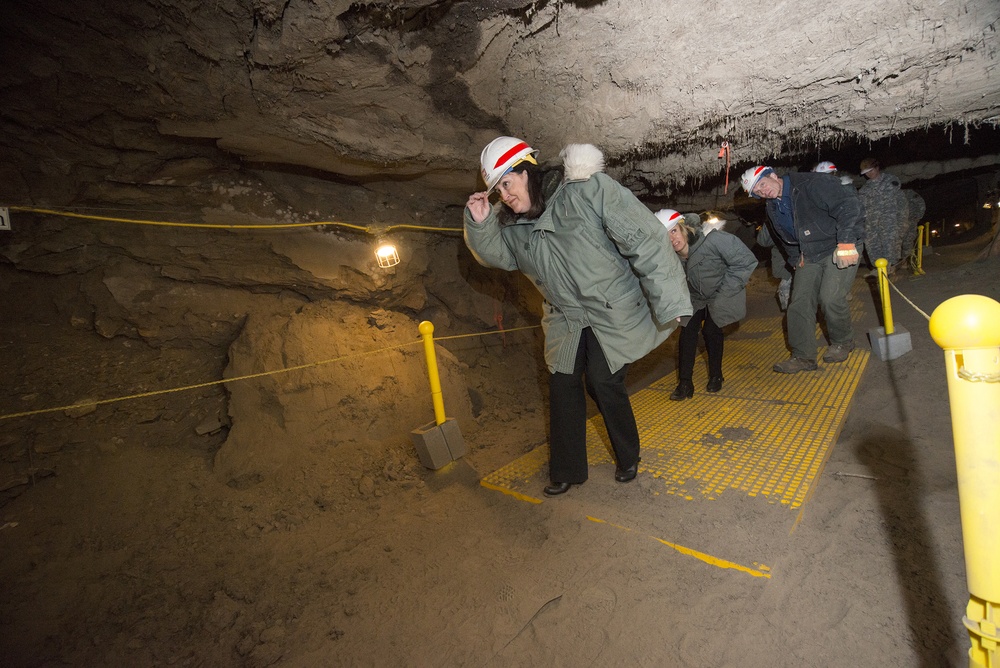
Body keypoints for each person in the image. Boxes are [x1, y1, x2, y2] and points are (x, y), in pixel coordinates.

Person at [464, 137, 692, 496]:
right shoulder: (513, 224)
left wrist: (672, 301)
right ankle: (567, 471)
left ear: (527, 171)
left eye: (507, 184)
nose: (503, 196)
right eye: (498, 190)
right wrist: (480, 224)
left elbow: (645, 239)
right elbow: (501, 257)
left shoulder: (587, 192)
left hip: (611, 308)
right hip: (566, 317)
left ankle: (628, 455)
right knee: (562, 383)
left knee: (602, 380)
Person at [740, 166, 865, 373]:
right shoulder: (772, 207)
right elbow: (783, 237)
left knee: (830, 297)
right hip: (809, 253)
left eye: (762, 184)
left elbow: (849, 206)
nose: (763, 192)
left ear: (772, 176)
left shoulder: (811, 183)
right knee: (798, 303)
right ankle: (803, 356)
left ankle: (843, 342)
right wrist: (795, 257)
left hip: (838, 244)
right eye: (758, 192)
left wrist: (846, 242)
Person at [655, 209, 757, 399]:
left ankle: (716, 375)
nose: (671, 239)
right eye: (665, 236)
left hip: (720, 293)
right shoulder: (670, 258)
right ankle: (685, 384)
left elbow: (745, 261)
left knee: (711, 330)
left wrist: (726, 293)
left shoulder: (712, 240)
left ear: (683, 228)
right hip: (696, 298)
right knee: (687, 332)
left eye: (674, 231)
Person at [858, 157, 905, 274]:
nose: (869, 174)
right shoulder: (864, 190)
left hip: (888, 221)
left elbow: (899, 202)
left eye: (871, 170)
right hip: (870, 224)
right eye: (866, 172)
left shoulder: (891, 181)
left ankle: (889, 267)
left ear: (877, 167)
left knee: (889, 244)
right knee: (872, 246)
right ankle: (877, 268)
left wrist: (902, 221)